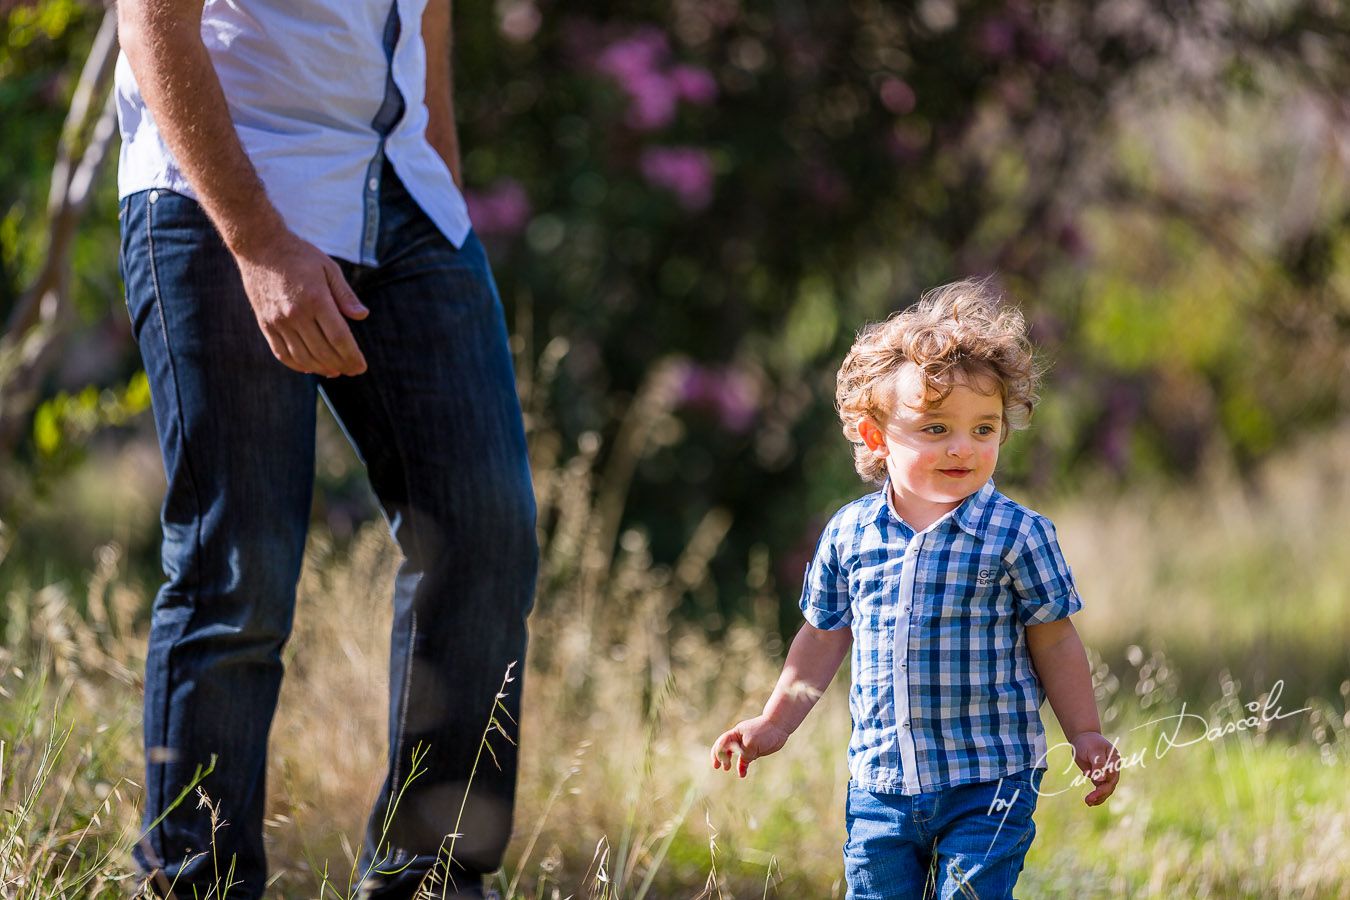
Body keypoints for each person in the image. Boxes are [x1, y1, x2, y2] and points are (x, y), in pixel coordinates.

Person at [115, 1, 536, 897]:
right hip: (225, 192)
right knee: (240, 570)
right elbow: (152, 21)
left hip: (405, 194)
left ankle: (431, 879)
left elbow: (428, 20)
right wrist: (261, 244)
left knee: (483, 535)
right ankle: (199, 882)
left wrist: (444, 184)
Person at [709, 279, 1120, 899]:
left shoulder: (1018, 535)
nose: (964, 447)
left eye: (984, 428)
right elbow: (823, 637)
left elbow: (1055, 641)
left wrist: (1083, 732)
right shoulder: (851, 535)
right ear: (876, 437)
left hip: (991, 778)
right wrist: (775, 721)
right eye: (935, 430)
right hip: (881, 783)